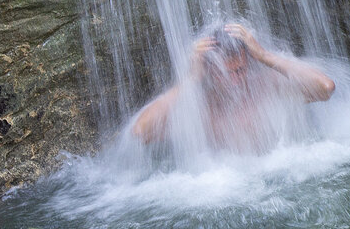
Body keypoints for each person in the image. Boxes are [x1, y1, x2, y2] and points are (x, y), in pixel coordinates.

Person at [130, 22, 335, 148]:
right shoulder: (200, 108)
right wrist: (191, 78)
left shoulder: (265, 85)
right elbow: (141, 132)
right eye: (227, 74)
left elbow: (325, 88)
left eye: (240, 70)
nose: (236, 81)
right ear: (209, 71)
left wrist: (264, 55)